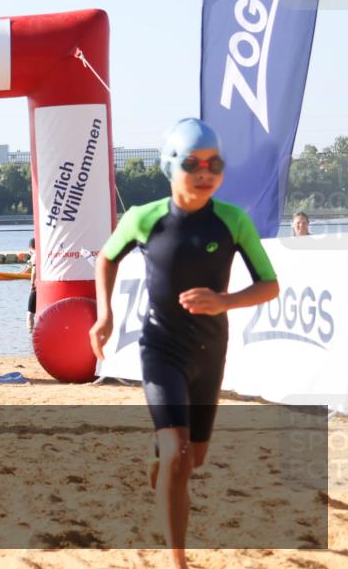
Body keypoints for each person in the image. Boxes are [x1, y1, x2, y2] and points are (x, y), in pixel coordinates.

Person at [88, 118, 279, 569]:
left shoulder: (233, 221)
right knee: (178, 453)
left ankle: (162, 452)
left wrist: (223, 301)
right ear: (169, 166)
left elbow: (268, 284)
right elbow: (106, 257)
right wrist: (105, 314)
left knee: (191, 460)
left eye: (215, 163)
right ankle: (178, 562)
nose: (205, 172)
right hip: (160, 348)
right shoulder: (143, 218)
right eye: (193, 163)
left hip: (210, 353)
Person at [26, 237, 37, 333]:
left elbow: (34, 271)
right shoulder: (42, 254)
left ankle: (30, 334)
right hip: (43, 287)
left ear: (30, 247)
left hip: (36, 287)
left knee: (30, 313)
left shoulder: (34, 256)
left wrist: (32, 284)